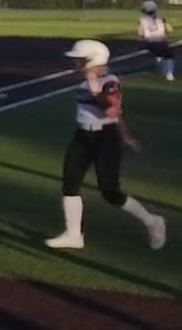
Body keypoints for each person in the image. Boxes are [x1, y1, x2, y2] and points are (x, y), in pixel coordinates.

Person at [46, 40, 166, 251]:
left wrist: (96, 91)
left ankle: (152, 221)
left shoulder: (109, 81)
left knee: (110, 191)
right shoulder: (85, 83)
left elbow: (111, 111)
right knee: (70, 182)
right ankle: (74, 234)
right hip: (83, 136)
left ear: (93, 60)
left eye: (81, 60)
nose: (77, 64)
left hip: (105, 138)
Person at [139, 0, 174, 82]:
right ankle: (169, 74)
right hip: (162, 42)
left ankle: (158, 59)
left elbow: (140, 33)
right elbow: (170, 30)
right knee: (169, 56)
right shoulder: (161, 19)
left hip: (150, 42)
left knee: (156, 53)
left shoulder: (142, 20)